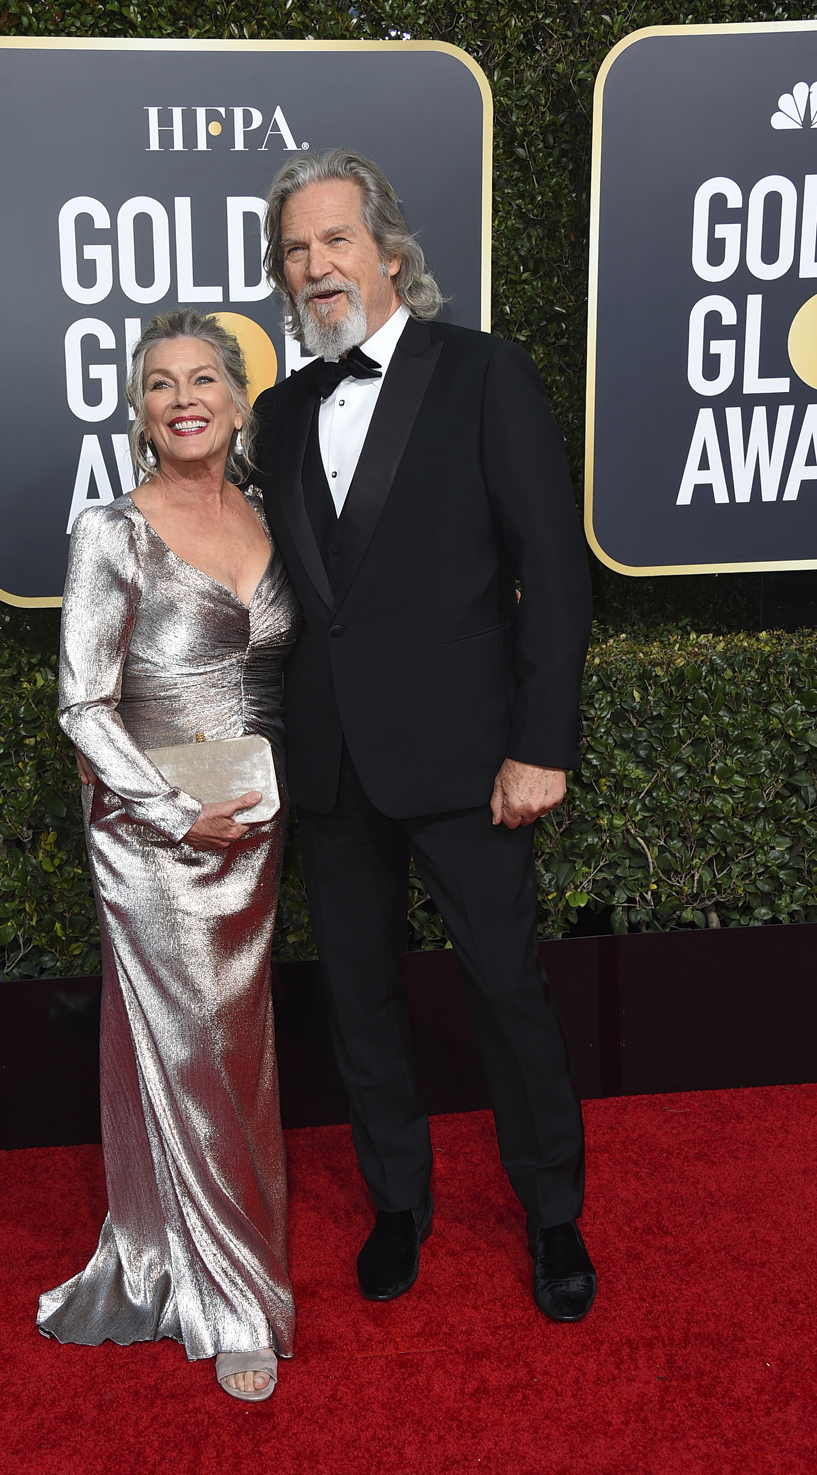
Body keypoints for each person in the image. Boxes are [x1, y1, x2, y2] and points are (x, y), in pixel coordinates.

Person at [251, 149, 597, 1322]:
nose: (316, 265)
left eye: (335, 240)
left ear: (388, 249)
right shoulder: (279, 410)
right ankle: (399, 1198)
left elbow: (552, 573)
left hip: (469, 757)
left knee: (506, 989)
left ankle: (553, 1212)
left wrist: (540, 743)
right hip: (332, 763)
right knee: (359, 997)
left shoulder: (485, 373)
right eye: (296, 250)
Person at [38, 309, 299, 1400]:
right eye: (159, 383)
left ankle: (168, 1252)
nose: (183, 397)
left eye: (204, 378)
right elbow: (82, 704)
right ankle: (233, 1299)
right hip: (156, 838)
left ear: (240, 400)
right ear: (140, 411)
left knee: (237, 1051)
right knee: (203, 1055)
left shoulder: (275, 515)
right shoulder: (114, 529)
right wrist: (166, 810)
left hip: (257, 827)